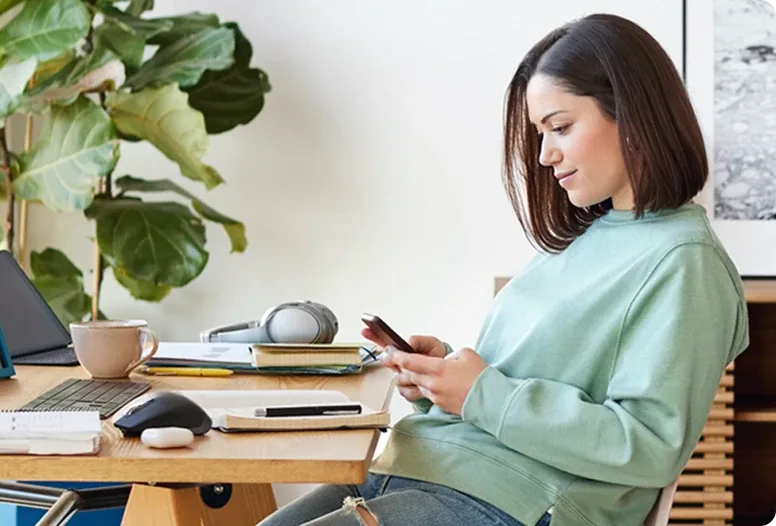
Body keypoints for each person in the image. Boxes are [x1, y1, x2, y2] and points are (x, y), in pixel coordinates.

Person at [258, 13, 749, 526]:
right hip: (426, 462)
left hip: (508, 497)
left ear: (632, 112)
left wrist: (479, 393)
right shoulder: (587, 237)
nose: (544, 154)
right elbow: (516, 385)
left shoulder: (686, 262)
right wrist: (442, 376)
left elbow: (648, 445)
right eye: (540, 133)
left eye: (559, 127)